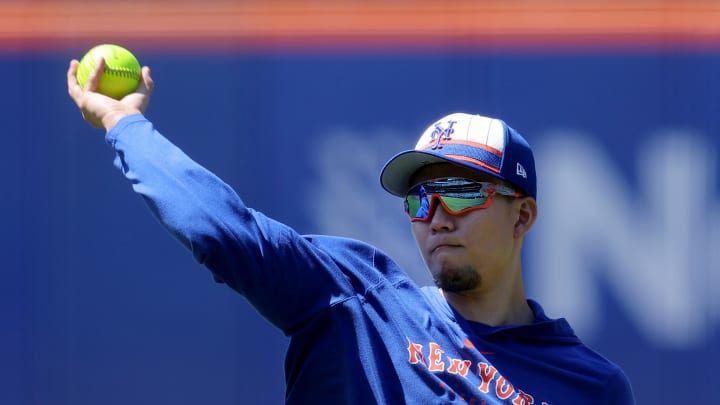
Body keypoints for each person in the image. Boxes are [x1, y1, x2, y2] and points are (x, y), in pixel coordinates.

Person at [66, 58, 635, 405]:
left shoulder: (591, 388)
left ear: (523, 216)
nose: (436, 213)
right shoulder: (357, 308)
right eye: (419, 195)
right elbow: (219, 230)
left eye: (461, 190)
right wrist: (124, 123)